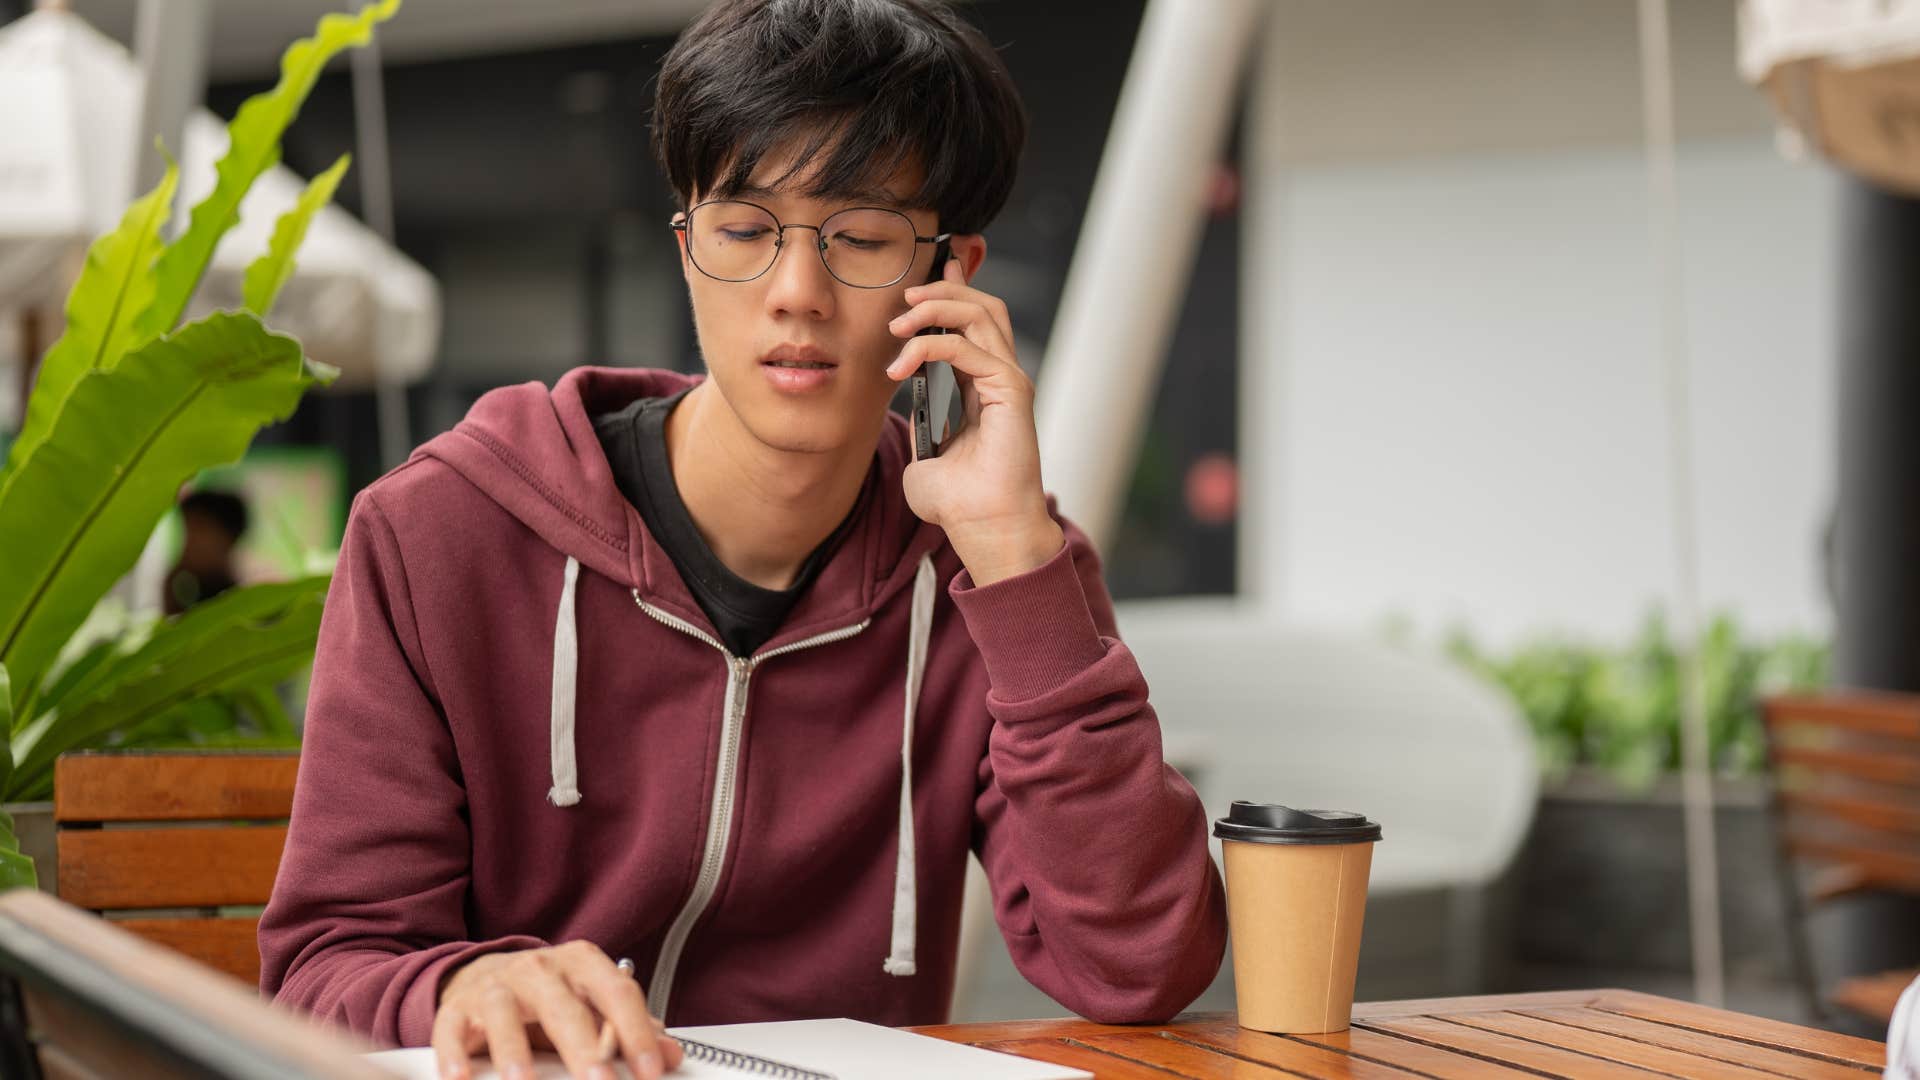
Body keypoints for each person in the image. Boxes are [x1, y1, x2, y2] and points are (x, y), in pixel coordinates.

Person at [257, 2, 1227, 1078]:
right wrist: (455, 987)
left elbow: (1140, 965)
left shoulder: (995, 568)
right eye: (745, 232)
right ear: (686, 250)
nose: (796, 295)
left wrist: (1012, 558)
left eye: (860, 238)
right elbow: (321, 972)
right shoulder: (441, 533)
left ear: (950, 277)